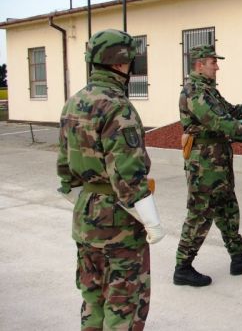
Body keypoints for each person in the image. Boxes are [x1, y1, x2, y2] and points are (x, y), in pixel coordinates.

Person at [57, 29, 166, 330]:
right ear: (120, 62)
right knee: (124, 304)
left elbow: (64, 170)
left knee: (92, 297)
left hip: (85, 218)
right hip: (118, 223)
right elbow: (128, 177)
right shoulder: (118, 106)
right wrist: (152, 222)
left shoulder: (74, 102)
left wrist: (84, 201)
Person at [174, 44, 242, 287]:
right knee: (200, 213)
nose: (217, 67)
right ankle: (183, 267)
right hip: (204, 165)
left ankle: (238, 258)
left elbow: (231, 112)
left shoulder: (209, 91)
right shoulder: (195, 92)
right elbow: (220, 122)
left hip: (218, 162)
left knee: (228, 210)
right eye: (213, 62)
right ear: (199, 65)